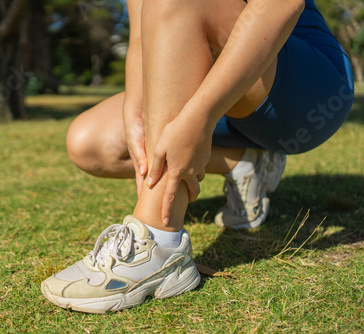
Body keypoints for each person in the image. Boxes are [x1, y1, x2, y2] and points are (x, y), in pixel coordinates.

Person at [41, 0, 354, 313]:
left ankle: (159, 245)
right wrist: (137, 114)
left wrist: (200, 118)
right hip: (224, 99)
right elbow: (141, 39)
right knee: (92, 142)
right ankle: (245, 162)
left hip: (303, 94)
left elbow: (281, 5)